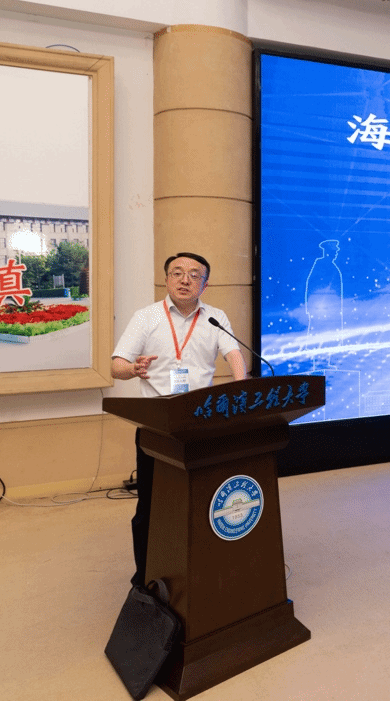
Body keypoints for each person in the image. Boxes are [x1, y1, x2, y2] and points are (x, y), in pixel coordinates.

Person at [111, 251, 247, 586]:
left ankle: (199, 568)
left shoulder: (215, 318)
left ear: (205, 284)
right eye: (177, 272)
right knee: (152, 505)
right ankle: (146, 576)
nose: (185, 279)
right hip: (157, 425)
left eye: (194, 274)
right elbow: (117, 365)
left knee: (204, 499)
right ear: (167, 279)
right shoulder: (146, 317)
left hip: (201, 423)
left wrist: (241, 386)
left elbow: (234, 355)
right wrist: (134, 369)